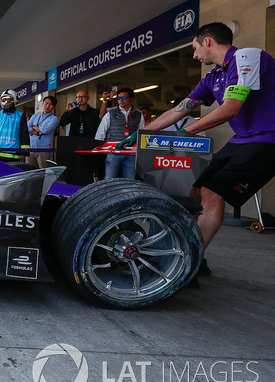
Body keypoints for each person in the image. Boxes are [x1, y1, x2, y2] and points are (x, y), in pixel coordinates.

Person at [118, 22, 275, 262]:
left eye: (195, 48)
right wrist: (141, 134)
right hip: (242, 140)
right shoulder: (213, 77)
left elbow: (231, 108)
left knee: (212, 192)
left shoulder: (247, 57)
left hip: (267, 139)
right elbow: (179, 110)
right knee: (195, 190)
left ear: (207, 42)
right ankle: (190, 248)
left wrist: (186, 132)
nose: (194, 55)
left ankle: (189, 260)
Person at [95, 87, 144, 178]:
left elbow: (142, 132)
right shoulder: (110, 112)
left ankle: (128, 193)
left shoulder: (138, 114)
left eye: (124, 98)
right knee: (109, 178)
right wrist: (98, 146)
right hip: (113, 150)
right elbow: (101, 131)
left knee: (130, 179)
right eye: (118, 98)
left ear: (131, 99)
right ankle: (108, 193)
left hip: (131, 151)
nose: (121, 100)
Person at [0, 89, 29, 162]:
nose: (6, 102)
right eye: (4, 99)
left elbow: (24, 134)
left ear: (14, 100)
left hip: (12, 154)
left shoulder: (20, 115)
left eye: (9, 99)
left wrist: (24, 151)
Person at [27, 96, 59, 168]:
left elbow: (45, 130)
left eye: (50, 104)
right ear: (42, 104)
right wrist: (37, 131)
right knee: (29, 172)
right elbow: (27, 127)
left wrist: (33, 126)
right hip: (31, 149)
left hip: (43, 150)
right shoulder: (35, 116)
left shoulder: (54, 119)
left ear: (53, 107)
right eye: (46, 103)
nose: (47, 106)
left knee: (43, 172)